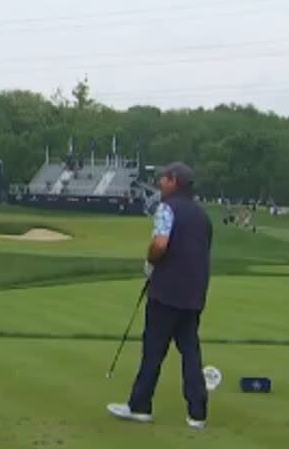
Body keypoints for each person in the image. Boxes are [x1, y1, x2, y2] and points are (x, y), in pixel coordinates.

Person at [107, 162, 213, 429]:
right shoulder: (203, 215)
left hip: (166, 292)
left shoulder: (167, 207)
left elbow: (160, 244)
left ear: (174, 181)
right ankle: (197, 414)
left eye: (163, 179)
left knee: (153, 350)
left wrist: (151, 263)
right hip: (194, 294)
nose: (160, 184)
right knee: (190, 350)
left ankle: (140, 407)